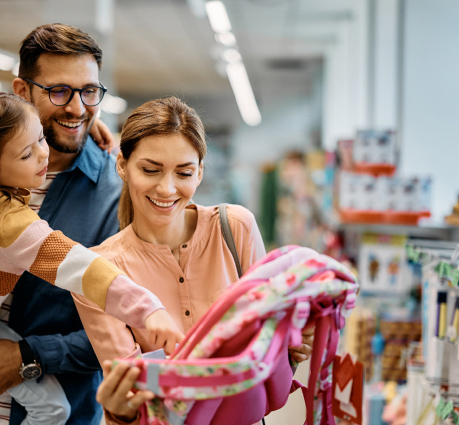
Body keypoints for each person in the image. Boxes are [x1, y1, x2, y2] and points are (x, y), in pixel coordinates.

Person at [0, 89, 184, 424]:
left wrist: (94, 127)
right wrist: (149, 309)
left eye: (41, 138)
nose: (44, 154)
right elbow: (84, 269)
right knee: (53, 409)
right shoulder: (11, 224)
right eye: (28, 153)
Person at [0, 24, 125, 425]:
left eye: (89, 91)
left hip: (52, 411)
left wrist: (28, 357)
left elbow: (127, 331)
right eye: (59, 91)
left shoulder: (115, 194)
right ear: (22, 91)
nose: (76, 108)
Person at [73, 97, 315, 424]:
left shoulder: (235, 229)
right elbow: (132, 398)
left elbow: (268, 365)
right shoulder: (101, 273)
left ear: (200, 172)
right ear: (122, 165)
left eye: (184, 172)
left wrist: (290, 348)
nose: (167, 188)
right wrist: (122, 412)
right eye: (150, 169)